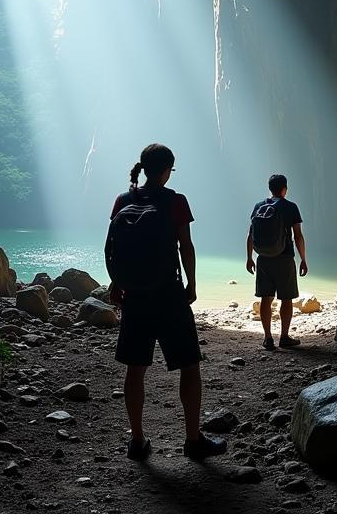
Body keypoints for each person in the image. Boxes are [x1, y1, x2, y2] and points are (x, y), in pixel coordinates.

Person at [105, 143, 226, 461]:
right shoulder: (175, 201)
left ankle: (137, 441)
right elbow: (185, 245)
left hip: (135, 297)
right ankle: (192, 440)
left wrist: (116, 283)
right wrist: (192, 283)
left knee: (136, 369)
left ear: (144, 168)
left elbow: (117, 247)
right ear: (166, 169)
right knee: (189, 365)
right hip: (168, 294)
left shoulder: (123, 200)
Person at [245, 172, 308, 350]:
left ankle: (267, 338)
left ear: (270, 189)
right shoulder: (290, 207)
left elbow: (251, 234)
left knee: (266, 298)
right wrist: (303, 259)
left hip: (263, 258)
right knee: (286, 298)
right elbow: (298, 235)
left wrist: (249, 257)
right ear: (284, 189)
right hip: (285, 257)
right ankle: (284, 337)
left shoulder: (259, 206)